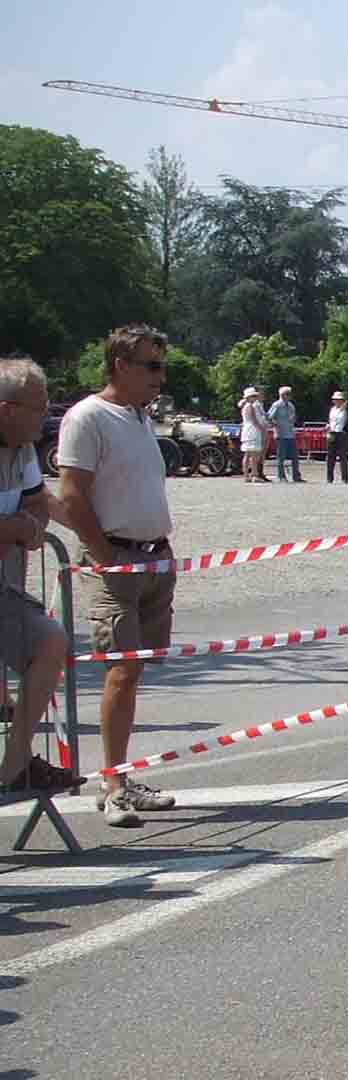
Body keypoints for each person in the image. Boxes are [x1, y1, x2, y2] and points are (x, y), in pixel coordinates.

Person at [56, 324, 180, 827]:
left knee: (136, 669)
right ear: (119, 366)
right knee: (121, 670)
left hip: (154, 559)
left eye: (161, 366)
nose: (160, 376)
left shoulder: (139, 416)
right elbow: (71, 493)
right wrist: (103, 553)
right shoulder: (88, 417)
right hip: (118, 562)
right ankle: (113, 786)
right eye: (151, 365)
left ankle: (123, 776)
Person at [0, 357, 82, 794]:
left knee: (51, 639)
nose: (47, 415)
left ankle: (13, 767)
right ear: (7, 409)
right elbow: (25, 522)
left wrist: (24, 527)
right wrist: (18, 529)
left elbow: (36, 505)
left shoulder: (24, 449)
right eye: (39, 407)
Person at [267, 385, 302, 483]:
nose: (290, 396)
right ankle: (281, 476)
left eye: (290, 394)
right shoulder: (276, 405)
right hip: (280, 434)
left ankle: (296, 476)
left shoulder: (291, 405)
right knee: (281, 457)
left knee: (295, 456)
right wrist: (276, 425)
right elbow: (269, 417)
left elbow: (294, 417)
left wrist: (293, 420)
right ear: (282, 395)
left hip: (290, 433)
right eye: (287, 394)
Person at [239, 386, 269, 483]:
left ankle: (246, 475)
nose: (255, 398)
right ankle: (254, 475)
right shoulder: (250, 406)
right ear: (248, 398)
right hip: (252, 430)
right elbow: (254, 420)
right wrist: (261, 428)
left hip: (247, 429)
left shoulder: (245, 406)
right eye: (253, 396)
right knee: (254, 455)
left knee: (247, 454)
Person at [325, 390, 348, 484]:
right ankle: (329, 478)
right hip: (332, 433)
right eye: (335, 399)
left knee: (343, 457)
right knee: (330, 457)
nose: (337, 401)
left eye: (339, 399)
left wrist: (346, 432)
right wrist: (328, 427)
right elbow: (330, 421)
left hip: (341, 434)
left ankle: (344, 478)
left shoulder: (346, 410)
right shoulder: (332, 409)